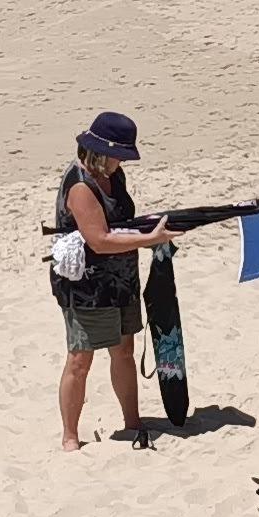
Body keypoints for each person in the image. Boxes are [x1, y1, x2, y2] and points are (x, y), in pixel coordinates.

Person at [48, 113, 174, 451]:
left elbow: (122, 223)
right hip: (87, 286)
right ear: (101, 151)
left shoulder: (112, 176)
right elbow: (99, 239)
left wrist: (153, 232)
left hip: (121, 278)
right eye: (119, 154)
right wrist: (149, 239)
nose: (122, 161)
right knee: (80, 358)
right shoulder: (80, 184)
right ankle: (70, 435)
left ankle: (132, 421)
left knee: (124, 351)